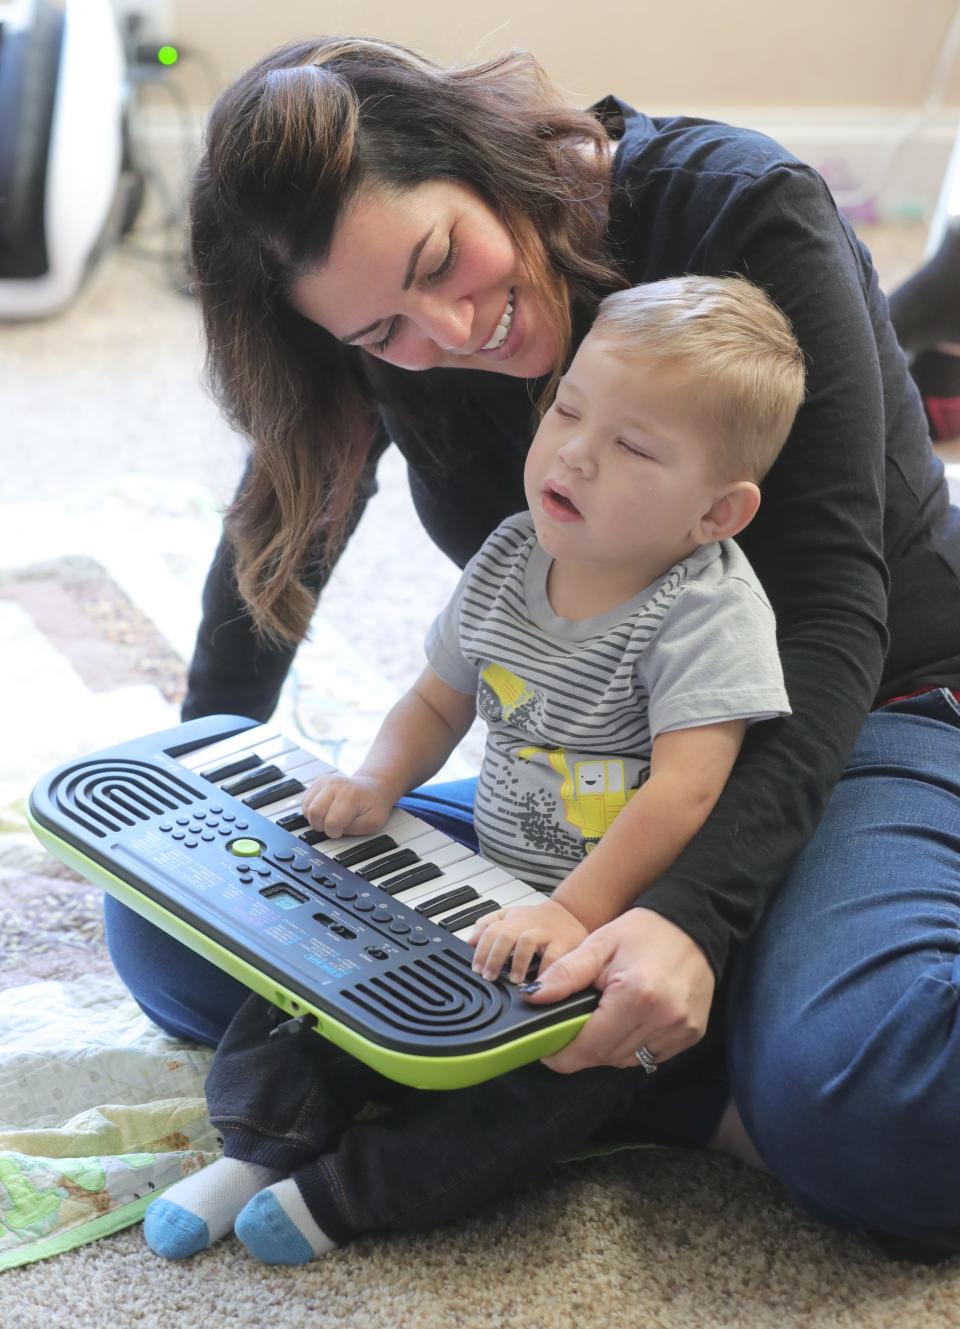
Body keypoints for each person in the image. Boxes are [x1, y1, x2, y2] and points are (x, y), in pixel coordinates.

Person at [102, 37, 960, 1264]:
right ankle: (680, 1057)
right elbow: (285, 523)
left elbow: (830, 609)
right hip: (587, 775)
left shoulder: (737, 204)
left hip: (870, 704)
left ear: (477, 156)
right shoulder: (388, 334)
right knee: (176, 926)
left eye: (442, 262)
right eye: (385, 329)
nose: (451, 330)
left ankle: (693, 1053)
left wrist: (689, 915)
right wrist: (196, 760)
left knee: (880, 1108)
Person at [142, 274, 799, 1263]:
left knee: (538, 1092)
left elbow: (688, 789)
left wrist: (574, 914)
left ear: (719, 511)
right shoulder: (507, 553)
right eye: (570, 406)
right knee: (321, 970)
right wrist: (377, 783)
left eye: (631, 445)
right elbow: (439, 699)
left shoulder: (708, 612)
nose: (576, 449)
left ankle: (348, 1195)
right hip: (486, 877)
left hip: (610, 926)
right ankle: (253, 1146)